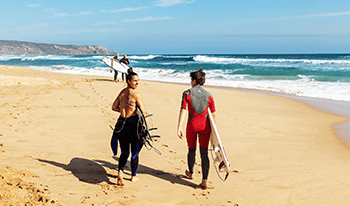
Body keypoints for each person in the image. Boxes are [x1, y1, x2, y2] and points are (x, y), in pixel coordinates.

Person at [177, 69, 216, 189]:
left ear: (194, 80)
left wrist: (179, 127)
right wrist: (214, 134)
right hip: (205, 127)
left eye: (191, 80)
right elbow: (213, 116)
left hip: (192, 125)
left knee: (191, 150)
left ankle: (191, 173)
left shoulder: (187, 93)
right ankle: (204, 180)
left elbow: (183, 110)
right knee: (204, 153)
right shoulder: (209, 96)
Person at [111, 68, 147, 186]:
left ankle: (120, 173)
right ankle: (133, 176)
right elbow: (144, 112)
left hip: (121, 124)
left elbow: (113, 107)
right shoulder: (136, 95)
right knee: (135, 152)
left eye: (138, 80)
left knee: (124, 152)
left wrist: (123, 110)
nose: (137, 83)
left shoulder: (122, 93)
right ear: (128, 81)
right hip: (133, 125)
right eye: (135, 81)